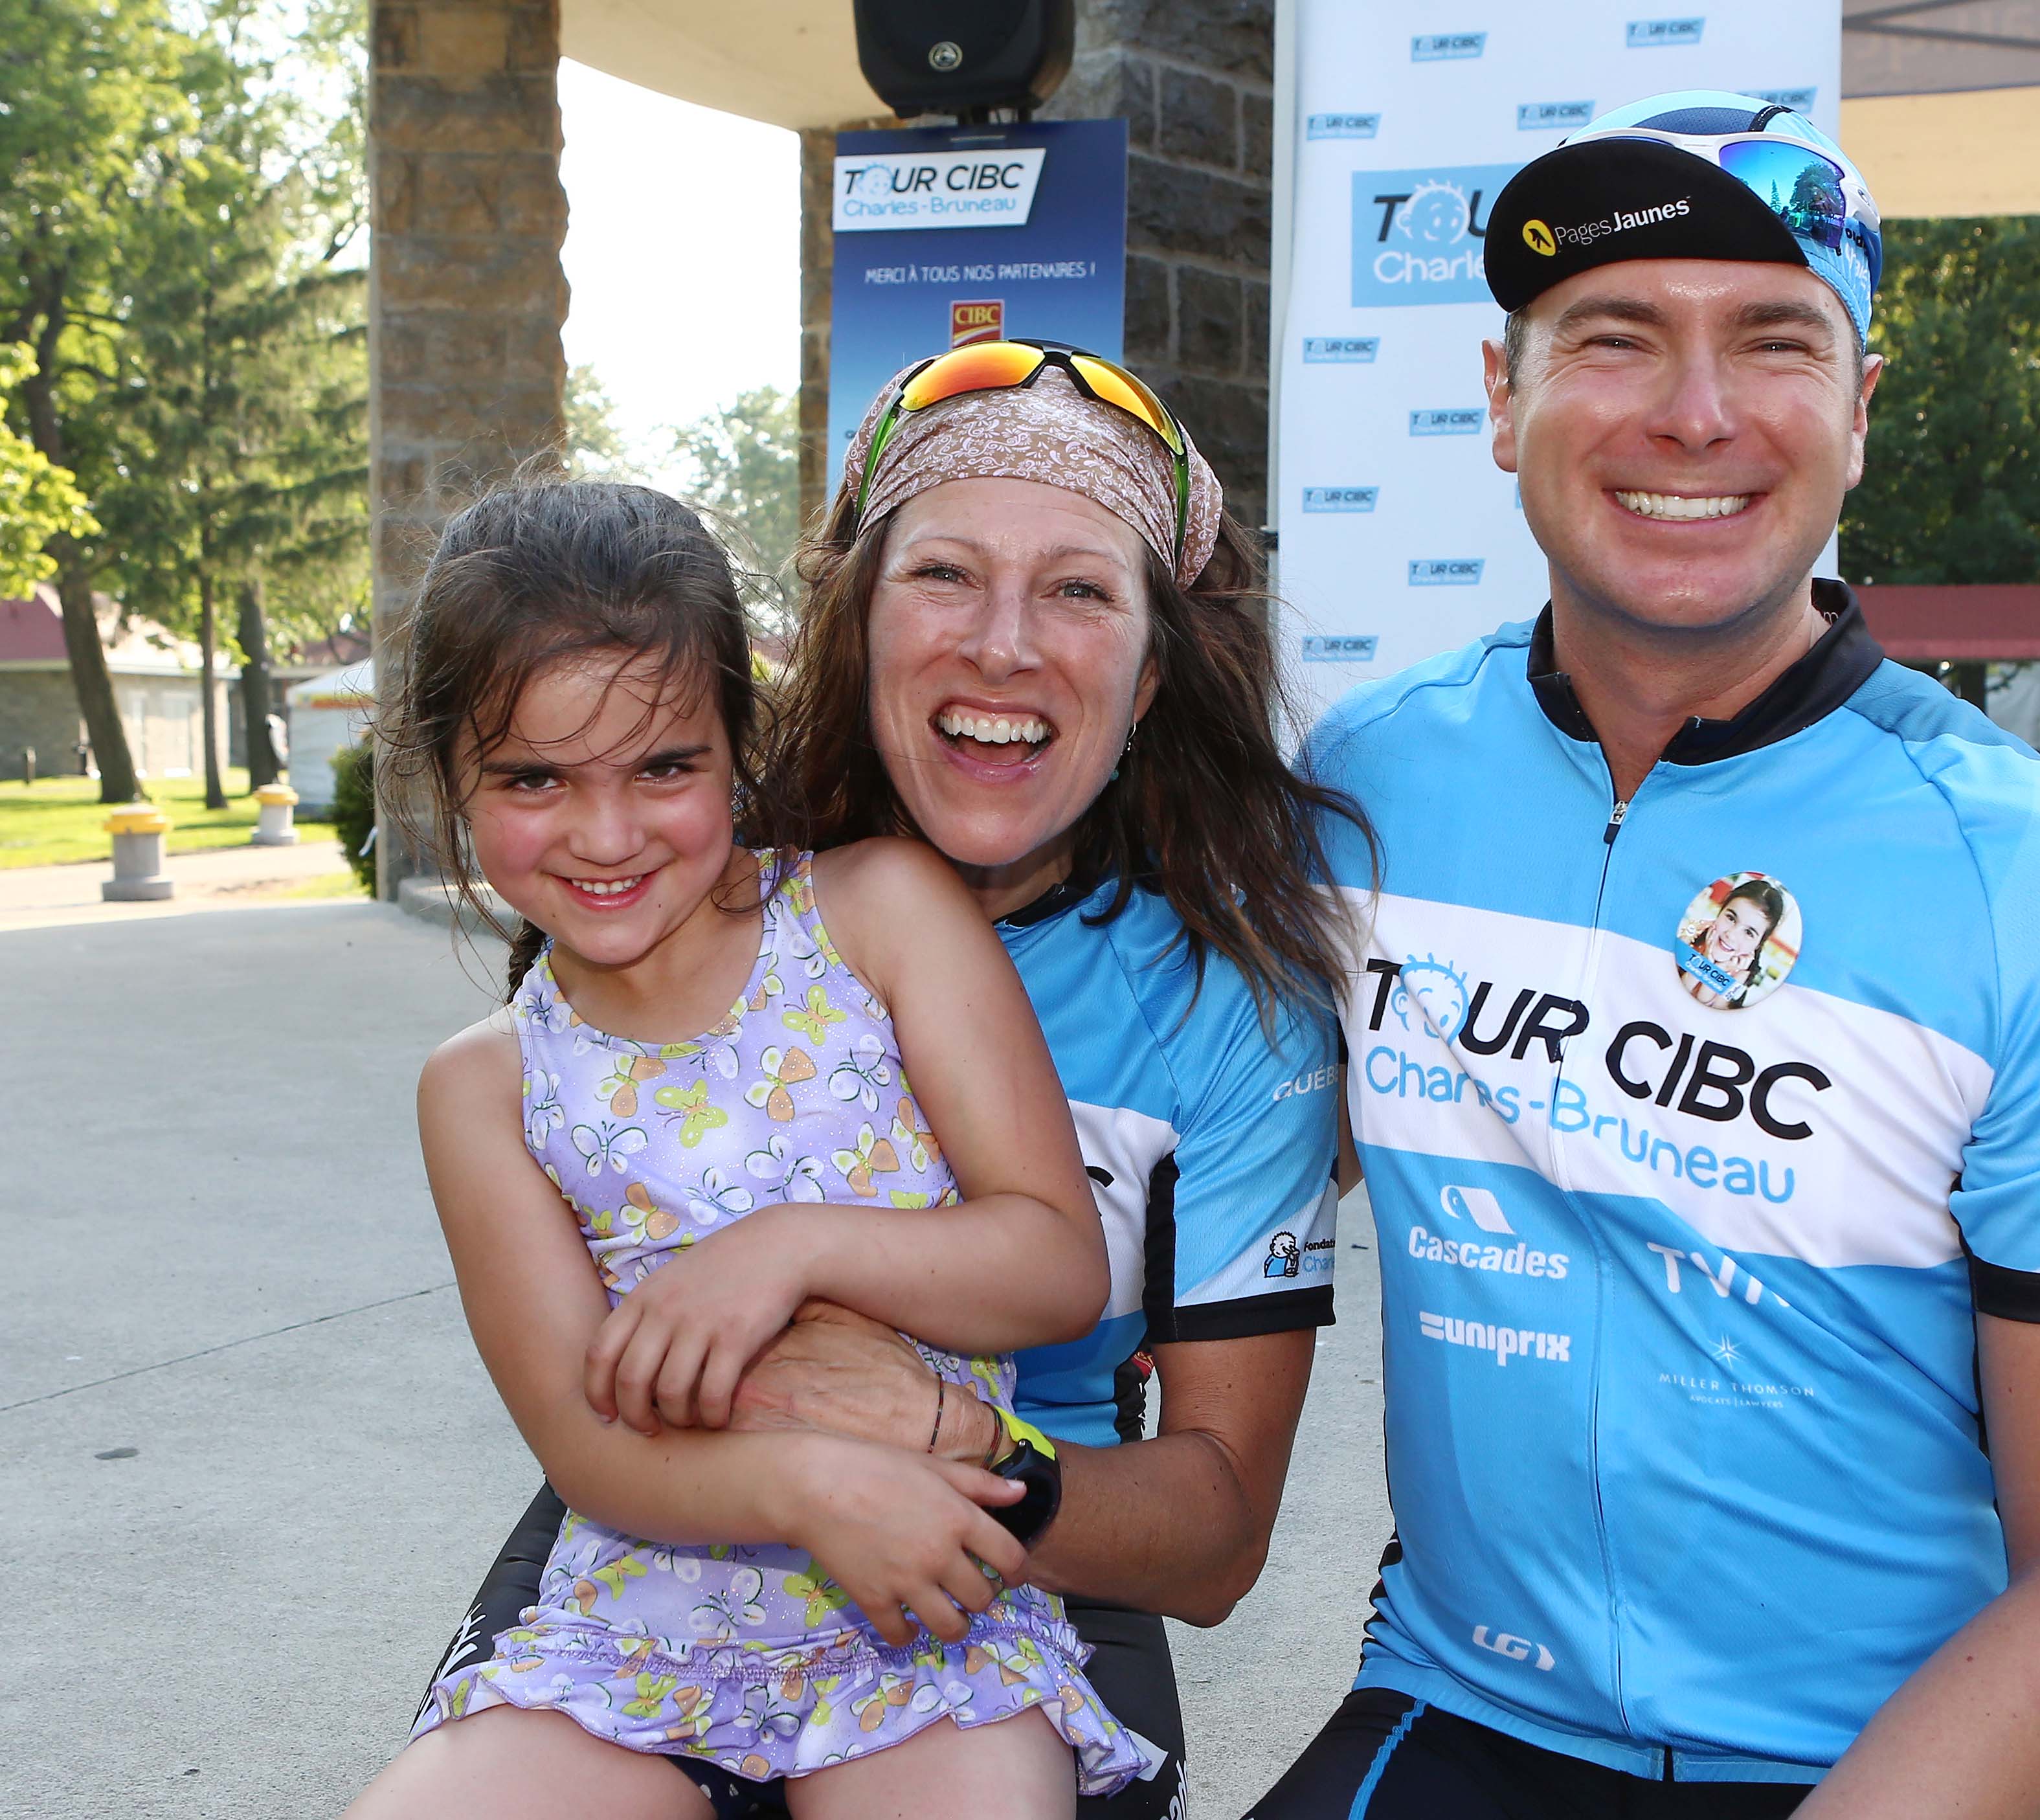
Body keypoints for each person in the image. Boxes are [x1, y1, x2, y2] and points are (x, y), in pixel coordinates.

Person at [1253, 93, 2040, 1819]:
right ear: (1500, 400)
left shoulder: (2038, 885)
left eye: (1772, 341)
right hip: (1462, 1697)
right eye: (1612, 336)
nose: (1692, 413)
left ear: (1856, 410)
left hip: (1882, 1757)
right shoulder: (1363, 786)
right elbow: (1178, 1154)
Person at [423, 346, 1373, 1819]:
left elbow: (1217, 1538)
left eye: (1077, 588)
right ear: (855, 623)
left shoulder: (1230, 1013)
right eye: (944, 574)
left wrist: (946, 1438)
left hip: (1018, 1531)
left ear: (1151, 669)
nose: (1002, 645)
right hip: (672, 1525)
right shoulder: (679, 868)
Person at [346, 479, 1150, 1817]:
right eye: (535, 778)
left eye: (664, 767)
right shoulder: (485, 1087)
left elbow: (1057, 1263)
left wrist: (789, 1249)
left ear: (738, 746)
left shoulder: (878, 915)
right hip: (635, 1630)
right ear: (450, 780)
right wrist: (811, 1484)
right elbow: (588, 1449)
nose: (607, 834)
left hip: (924, 1613)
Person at [1676, 873, 1790, 1009]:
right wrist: (1706, 960)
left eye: (1749, 933)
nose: (1731, 935)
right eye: (1731, 918)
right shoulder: (1694, 933)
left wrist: (1719, 968)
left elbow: (1710, 1006)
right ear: (1720, 912)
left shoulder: (1742, 976)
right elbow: (1675, 986)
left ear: (1758, 944)